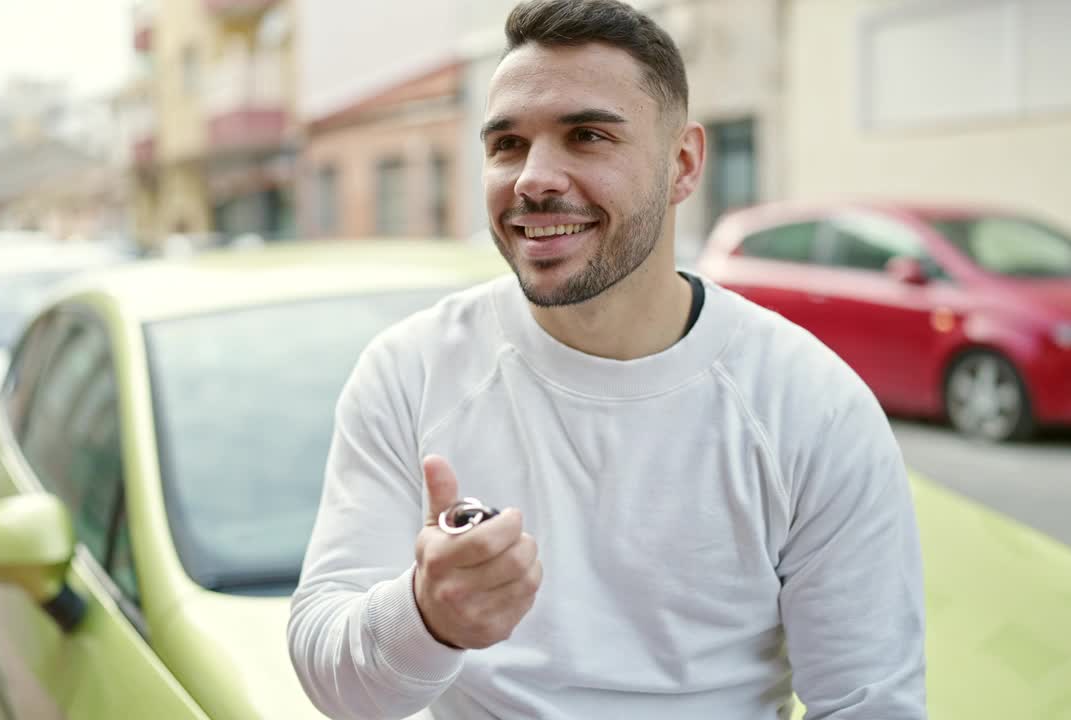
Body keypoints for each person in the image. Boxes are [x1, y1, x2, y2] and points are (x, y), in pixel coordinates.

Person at [287, 1, 927, 718]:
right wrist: (427, 619)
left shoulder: (809, 405)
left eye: (586, 136)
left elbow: (870, 703)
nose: (533, 178)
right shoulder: (412, 370)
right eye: (506, 144)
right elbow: (330, 681)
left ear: (682, 164)